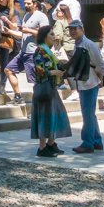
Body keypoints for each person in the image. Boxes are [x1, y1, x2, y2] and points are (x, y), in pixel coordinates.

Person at [63, 19, 104, 154]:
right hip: (83, 83)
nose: (72, 31)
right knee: (90, 114)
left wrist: (101, 79)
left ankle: (88, 143)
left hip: (90, 83)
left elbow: (100, 64)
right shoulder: (78, 44)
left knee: (87, 114)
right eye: (71, 29)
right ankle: (96, 141)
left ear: (82, 29)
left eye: (75, 29)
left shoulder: (89, 44)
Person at [30, 24, 71, 157]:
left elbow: (56, 65)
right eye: (51, 34)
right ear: (44, 37)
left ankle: (51, 143)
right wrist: (53, 72)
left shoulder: (48, 50)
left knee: (56, 115)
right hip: (44, 88)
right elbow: (39, 70)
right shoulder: (40, 50)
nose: (54, 36)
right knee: (44, 116)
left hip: (51, 87)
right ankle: (42, 148)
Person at [3, 0, 47, 103]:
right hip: (23, 51)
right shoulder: (26, 16)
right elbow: (22, 34)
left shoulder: (41, 16)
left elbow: (45, 34)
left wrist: (28, 30)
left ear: (35, 4)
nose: (26, 5)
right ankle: (18, 96)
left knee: (34, 81)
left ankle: (38, 104)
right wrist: (9, 31)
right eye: (25, 3)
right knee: (8, 70)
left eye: (28, 3)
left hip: (34, 52)